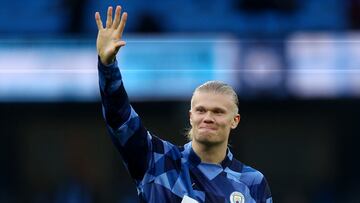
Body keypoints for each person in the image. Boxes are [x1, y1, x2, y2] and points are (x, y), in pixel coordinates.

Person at [95, 5, 272, 203]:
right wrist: (108, 67)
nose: (208, 118)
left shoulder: (252, 182)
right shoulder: (157, 160)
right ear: (191, 116)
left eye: (218, 112)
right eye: (201, 110)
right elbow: (120, 121)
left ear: (235, 120)